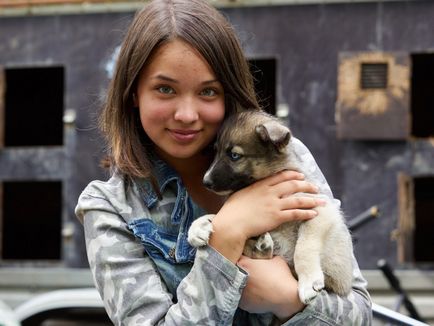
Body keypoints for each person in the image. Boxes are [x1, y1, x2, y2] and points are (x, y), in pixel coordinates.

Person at [75, 0, 372, 325]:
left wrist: (288, 300)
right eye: (164, 89)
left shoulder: (283, 157)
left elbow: (358, 312)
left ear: (228, 94)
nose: (186, 115)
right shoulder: (109, 208)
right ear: (133, 93)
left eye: (208, 92)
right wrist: (227, 236)